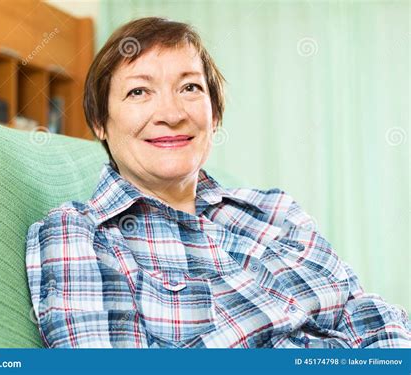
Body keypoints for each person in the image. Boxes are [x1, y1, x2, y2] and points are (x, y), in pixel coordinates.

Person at [25, 17, 410, 348]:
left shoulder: (276, 211)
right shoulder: (78, 234)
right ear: (100, 123)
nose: (172, 113)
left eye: (190, 87)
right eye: (139, 91)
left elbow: (373, 318)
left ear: (215, 116)